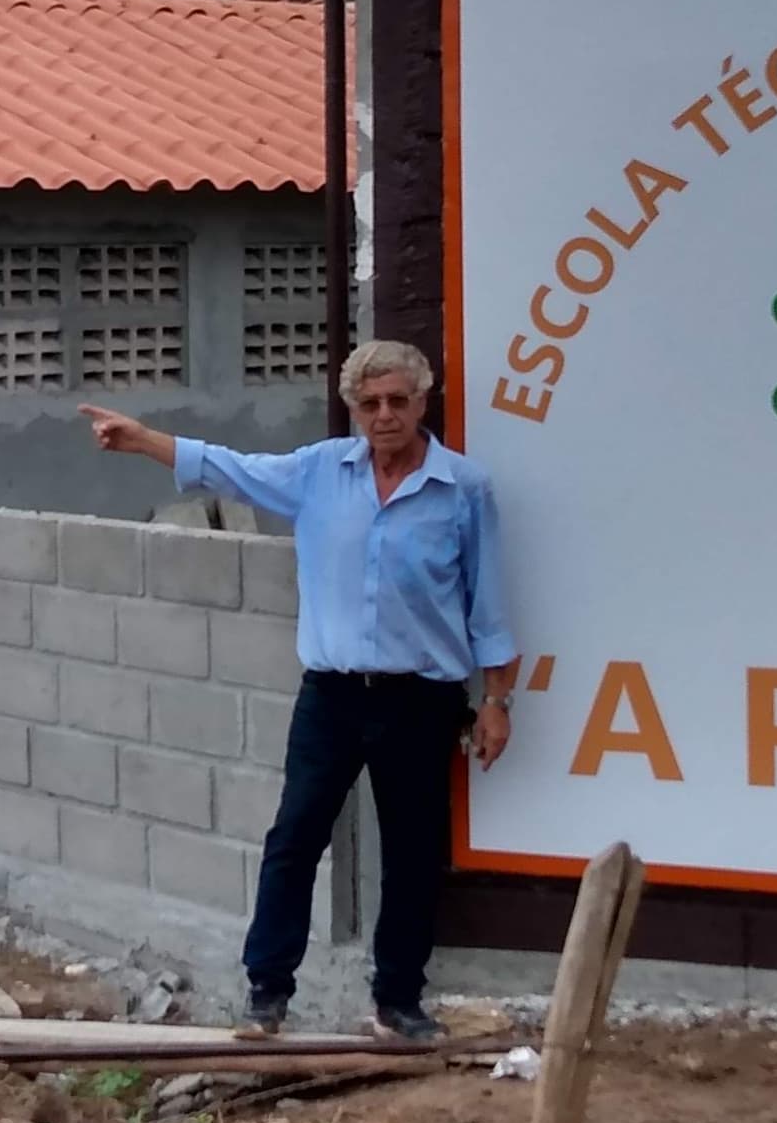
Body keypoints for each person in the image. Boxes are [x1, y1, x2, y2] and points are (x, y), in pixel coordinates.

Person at [80, 339, 515, 1041]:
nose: (384, 415)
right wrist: (142, 440)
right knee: (294, 839)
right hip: (332, 698)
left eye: (397, 401)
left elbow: (487, 604)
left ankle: (398, 1002)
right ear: (353, 410)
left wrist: (496, 701)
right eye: (369, 404)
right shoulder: (318, 472)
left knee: (411, 855)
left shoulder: (462, 489)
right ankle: (267, 994)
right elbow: (228, 467)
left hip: (421, 701)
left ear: (422, 402)